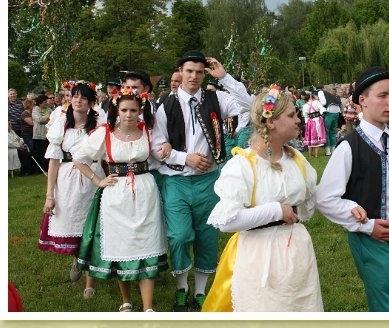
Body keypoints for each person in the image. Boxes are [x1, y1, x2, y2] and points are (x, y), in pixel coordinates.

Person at [202, 86, 322, 311]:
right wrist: (276, 211)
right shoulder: (243, 165)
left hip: (297, 252)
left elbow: (313, 199)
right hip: (259, 255)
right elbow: (227, 221)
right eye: (292, 115)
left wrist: (350, 208)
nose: (298, 120)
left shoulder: (296, 159)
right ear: (271, 122)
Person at [316, 66, 389, 312]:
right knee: (387, 306)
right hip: (370, 238)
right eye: (382, 95)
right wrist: (366, 225)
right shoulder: (349, 146)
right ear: (362, 101)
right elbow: (325, 198)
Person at [151, 50, 249, 312]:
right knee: (179, 236)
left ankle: (200, 291)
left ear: (204, 74)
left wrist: (224, 77)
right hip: (176, 180)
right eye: (189, 71)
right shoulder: (166, 105)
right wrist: (186, 158)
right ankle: (182, 286)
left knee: (207, 235)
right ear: (180, 72)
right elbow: (156, 145)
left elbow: (248, 105)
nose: (193, 76)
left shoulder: (216, 98)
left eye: (198, 72)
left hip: (209, 180)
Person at [73, 87, 168, 312]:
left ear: (140, 111)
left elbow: (161, 152)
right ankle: (126, 301)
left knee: (147, 242)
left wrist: (166, 146)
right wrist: (98, 180)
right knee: (121, 245)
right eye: (124, 110)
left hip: (145, 192)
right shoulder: (104, 133)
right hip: (116, 194)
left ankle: (148, 308)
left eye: (133, 110)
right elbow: (79, 158)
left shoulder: (148, 131)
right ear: (117, 110)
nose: (128, 114)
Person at [37, 81, 104, 300]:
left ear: (91, 103)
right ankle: (78, 259)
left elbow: (105, 156)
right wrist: (49, 195)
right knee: (73, 225)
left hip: (92, 178)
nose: (78, 100)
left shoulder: (98, 125)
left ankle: (90, 282)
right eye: (75, 96)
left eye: (83, 98)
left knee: (93, 227)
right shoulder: (61, 124)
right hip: (67, 181)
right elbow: (53, 162)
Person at [318, 86, 342, 156]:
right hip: (337, 113)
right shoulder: (334, 96)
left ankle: (328, 151)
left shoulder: (321, 92)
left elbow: (323, 103)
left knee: (326, 132)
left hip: (329, 112)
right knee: (333, 131)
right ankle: (333, 150)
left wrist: (318, 103)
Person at [302, 92, 326, 158]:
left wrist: (306, 123)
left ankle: (310, 154)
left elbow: (305, 115)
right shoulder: (316, 102)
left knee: (310, 136)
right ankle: (316, 155)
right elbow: (322, 109)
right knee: (318, 135)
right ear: (311, 97)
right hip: (318, 120)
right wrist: (322, 113)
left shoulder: (305, 105)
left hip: (310, 121)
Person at [32, 94, 52, 172]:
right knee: (40, 152)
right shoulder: (35, 110)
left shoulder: (49, 109)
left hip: (48, 134)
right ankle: (40, 169)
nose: (46, 103)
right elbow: (39, 119)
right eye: (45, 102)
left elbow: (53, 119)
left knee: (47, 151)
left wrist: (47, 119)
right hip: (39, 134)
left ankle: (47, 167)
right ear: (40, 103)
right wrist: (48, 116)